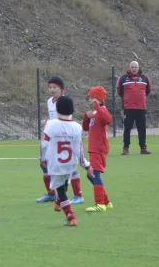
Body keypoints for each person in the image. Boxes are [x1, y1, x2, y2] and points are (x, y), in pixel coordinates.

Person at [40, 96, 94, 227]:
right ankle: (58, 203)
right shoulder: (76, 127)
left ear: (57, 109)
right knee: (64, 182)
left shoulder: (51, 125)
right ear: (72, 111)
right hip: (70, 163)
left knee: (61, 191)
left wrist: (43, 158)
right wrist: (86, 165)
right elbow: (79, 149)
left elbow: (44, 144)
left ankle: (71, 217)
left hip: (56, 164)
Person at [36, 76, 84, 205]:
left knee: (68, 165)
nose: (52, 90)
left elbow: (66, 119)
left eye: (54, 87)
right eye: (50, 87)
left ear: (61, 89)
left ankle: (78, 195)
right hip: (52, 138)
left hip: (64, 137)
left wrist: (48, 123)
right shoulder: (49, 101)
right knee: (44, 163)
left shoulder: (65, 101)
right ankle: (51, 194)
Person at [82, 86, 114, 212]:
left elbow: (108, 119)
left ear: (99, 99)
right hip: (93, 147)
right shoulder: (95, 113)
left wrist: (97, 108)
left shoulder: (102, 110)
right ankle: (106, 201)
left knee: (94, 174)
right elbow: (85, 128)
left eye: (92, 98)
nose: (90, 101)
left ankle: (100, 203)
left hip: (99, 147)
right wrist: (86, 116)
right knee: (91, 175)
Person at [117, 61, 152, 155]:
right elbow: (119, 91)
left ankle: (143, 148)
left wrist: (140, 98)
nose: (134, 69)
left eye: (135, 67)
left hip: (141, 107)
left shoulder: (145, 78)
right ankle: (125, 148)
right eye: (132, 67)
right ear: (129, 68)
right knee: (127, 128)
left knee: (142, 128)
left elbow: (148, 91)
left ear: (138, 68)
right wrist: (127, 99)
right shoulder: (123, 78)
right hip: (128, 107)